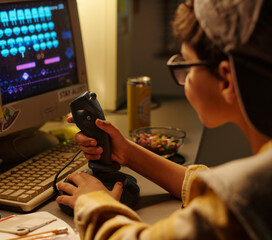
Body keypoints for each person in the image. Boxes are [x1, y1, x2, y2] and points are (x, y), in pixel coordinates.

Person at [56, 0, 272, 239]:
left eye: (187, 67)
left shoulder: (243, 197)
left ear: (226, 80)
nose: (184, 78)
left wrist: (93, 203)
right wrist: (128, 152)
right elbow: (211, 186)